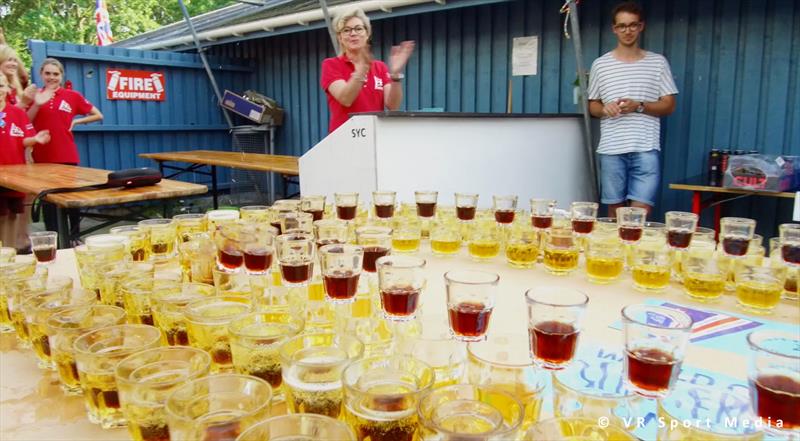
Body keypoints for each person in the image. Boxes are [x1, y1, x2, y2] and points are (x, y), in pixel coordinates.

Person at [587, 1, 678, 217]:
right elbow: (592, 106)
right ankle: (615, 251)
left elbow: (669, 105)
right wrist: (604, 109)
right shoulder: (600, 65)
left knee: (640, 213)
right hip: (611, 147)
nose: (627, 31)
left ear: (641, 26)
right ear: (614, 29)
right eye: (622, 26)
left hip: (645, 146)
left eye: (632, 25)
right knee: (613, 211)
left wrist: (639, 106)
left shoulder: (658, 63)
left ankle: (633, 249)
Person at [26, 58, 103, 237]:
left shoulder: (72, 96)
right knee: (48, 200)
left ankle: (74, 235)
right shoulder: (34, 95)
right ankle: (53, 237)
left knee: (71, 198)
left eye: (56, 73)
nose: (52, 77)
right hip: (42, 156)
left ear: (61, 76)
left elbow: (98, 115)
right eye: (48, 73)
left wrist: (76, 121)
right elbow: (26, 121)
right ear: (41, 74)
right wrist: (37, 103)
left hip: (67, 154)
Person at [321, 8, 415, 133]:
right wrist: (359, 73)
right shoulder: (331, 65)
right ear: (340, 37)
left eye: (358, 28)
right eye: (346, 30)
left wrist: (395, 75)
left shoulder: (380, 67)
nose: (353, 33)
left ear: (367, 33)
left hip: (374, 136)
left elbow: (393, 106)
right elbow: (345, 99)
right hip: (343, 138)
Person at [0, 74, 50, 250]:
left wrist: (36, 139)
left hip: (14, 175)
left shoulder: (17, 113)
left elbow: (24, 139)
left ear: (8, 89)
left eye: (2, 86)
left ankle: (10, 252)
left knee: (13, 214)